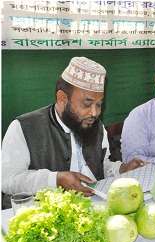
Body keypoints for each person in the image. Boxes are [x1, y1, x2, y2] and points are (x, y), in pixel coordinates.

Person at [2, 57, 146, 207]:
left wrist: (122, 169)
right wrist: (56, 179)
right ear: (63, 98)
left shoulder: (96, 127)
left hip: (94, 206)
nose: (95, 113)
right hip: (44, 212)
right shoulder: (24, 127)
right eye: (87, 104)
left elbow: (101, 167)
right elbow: (7, 179)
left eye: (99, 104)